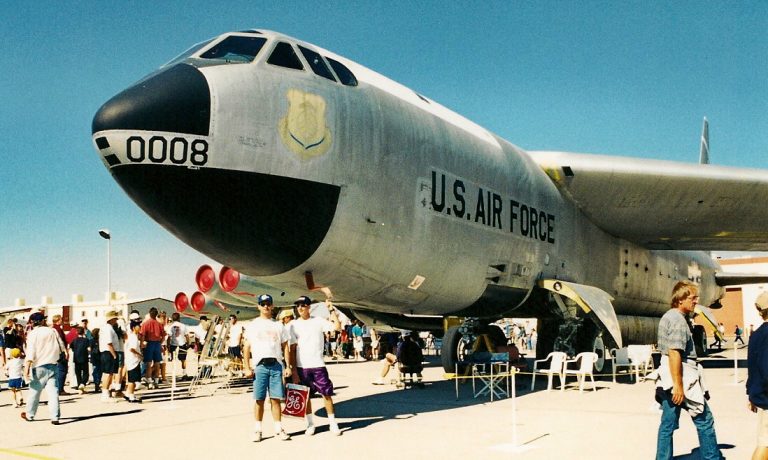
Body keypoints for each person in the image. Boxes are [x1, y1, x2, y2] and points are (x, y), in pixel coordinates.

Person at [655, 281, 720, 460]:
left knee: (667, 424)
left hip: (668, 374)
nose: (696, 301)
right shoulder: (677, 320)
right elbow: (674, 353)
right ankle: (712, 458)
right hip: (681, 374)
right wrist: (678, 386)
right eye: (693, 298)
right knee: (704, 420)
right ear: (680, 299)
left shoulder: (668, 316)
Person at [288, 296, 342, 436]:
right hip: (302, 366)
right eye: (298, 305)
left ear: (309, 307)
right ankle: (311, 424)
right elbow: (292, 349)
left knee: (327, 394)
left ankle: (333, 423)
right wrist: (294, 370)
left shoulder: (318, 321)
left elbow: (337, 327)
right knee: (305, 396)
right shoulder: (293, 325)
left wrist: (331, 309)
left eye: (303, 305)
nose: (300, 308)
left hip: (318, 364)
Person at [242, 294, 292, 442]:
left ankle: (278, 429)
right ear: (258, 306)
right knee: (259, 399)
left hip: (276, 365)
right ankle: (257, 430)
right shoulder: (253, 325)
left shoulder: (278, 325)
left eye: (268, 303)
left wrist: (287, 366)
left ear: (272, 306)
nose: (266, 306)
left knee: (276, 399)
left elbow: (285, 346)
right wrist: (247, 367)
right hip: (260, 366)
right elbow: (246, 347)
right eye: (263, 304)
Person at [21, 312, 66, 424]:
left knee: (34, 392)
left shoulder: (32, 334)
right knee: (53, 392)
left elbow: (30, 352)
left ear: (32, 322)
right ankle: (55, 417)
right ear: (42, 321)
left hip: (38, 366)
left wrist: (26, 370)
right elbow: (61, 346)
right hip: (53, 364)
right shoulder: (52, 331)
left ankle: (30, 414)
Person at [747, 292, 768, 459]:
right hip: (767, 397)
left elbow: (752, 368)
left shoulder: (757, 334)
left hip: (761, 395)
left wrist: (751, 394)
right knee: (765, 443)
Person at [140, 307, 166, 389]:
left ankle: (149, 380)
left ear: (150, 313)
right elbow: (163, 335)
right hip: (157, 344)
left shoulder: (145, 324)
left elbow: (142, 335)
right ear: (156, 314)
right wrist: (160, 343)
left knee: (148, 363)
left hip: (149, 343)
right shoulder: (159, 324)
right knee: (157, 363)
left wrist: (142, 344)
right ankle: (156, 381)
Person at [99, 311, 121, 402]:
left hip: (107, 352)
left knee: (108, 373)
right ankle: (105, 394)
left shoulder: (106, 328)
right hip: (109, 352)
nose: (116, 320)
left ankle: (106, 392)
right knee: (108, 373)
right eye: (115, 319)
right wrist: (114, 355)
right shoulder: (108, 329)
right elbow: (109, 343)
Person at [123, 318, 143, 403]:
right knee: (132, 380)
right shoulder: (133, 337)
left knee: (133, 379)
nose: (140, 327)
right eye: (138, 326)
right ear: (133, 328)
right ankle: (131, 396)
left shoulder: (132, 336)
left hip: (131, 360)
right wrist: (140, 355)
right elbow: (132, 349)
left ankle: (128, 393)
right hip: (133, 361)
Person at [50, 314, 70, 395]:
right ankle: (60, 389)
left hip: (55, 352)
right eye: (61, 319)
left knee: (59, 370)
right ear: (58, 320)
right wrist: (65, 351)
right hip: (60, 352)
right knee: (62, 370)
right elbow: (61, 341)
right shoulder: (58, 329)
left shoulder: (52, 329)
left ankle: (59, 388)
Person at [167, 312, 190, 380]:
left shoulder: (170, 326)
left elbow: (169, 337)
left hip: (173, 344)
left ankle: (174, 373)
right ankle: (184, 373)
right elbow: (187, 335)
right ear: (179, 318)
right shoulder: (183, 325)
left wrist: (168, 345)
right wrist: (188, 343)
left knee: (173, 359)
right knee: (183, 359)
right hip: (182, 344)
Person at [69, 326, 90, 393]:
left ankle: (79, 387)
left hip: (76, 359)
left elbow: (71, 347)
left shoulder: (74, 340)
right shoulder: (86, 340)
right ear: (83, 332)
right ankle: (83, 383)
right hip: (84, 358)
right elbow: (89, 349)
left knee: (78, 374)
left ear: (77, 332)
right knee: (86, 373)